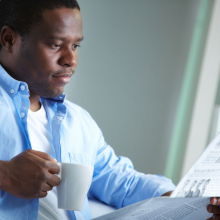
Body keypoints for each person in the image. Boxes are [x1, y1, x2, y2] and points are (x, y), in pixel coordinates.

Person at [0, 0, 216, 220]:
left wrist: (190, 203)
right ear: (9, 40)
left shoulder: (77, 122)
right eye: (55, 44)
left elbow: (119, 181)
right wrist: (5, 174)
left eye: (75, 46)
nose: (71, 60)